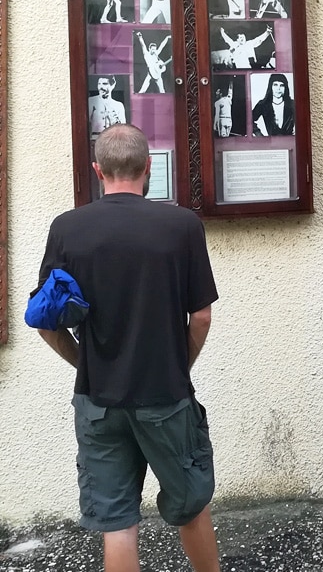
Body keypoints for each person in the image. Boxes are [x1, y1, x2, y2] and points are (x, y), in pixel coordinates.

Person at [34, 124, 221, 572]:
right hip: (165, 395)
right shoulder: (181, 226)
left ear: (98, 170)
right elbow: (202, 316)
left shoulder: (67, 229)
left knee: (118, 524)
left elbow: (44, 323)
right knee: (190, 506)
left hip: (98, 401)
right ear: (149, 167)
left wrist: (86, 364)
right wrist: (180, 363)